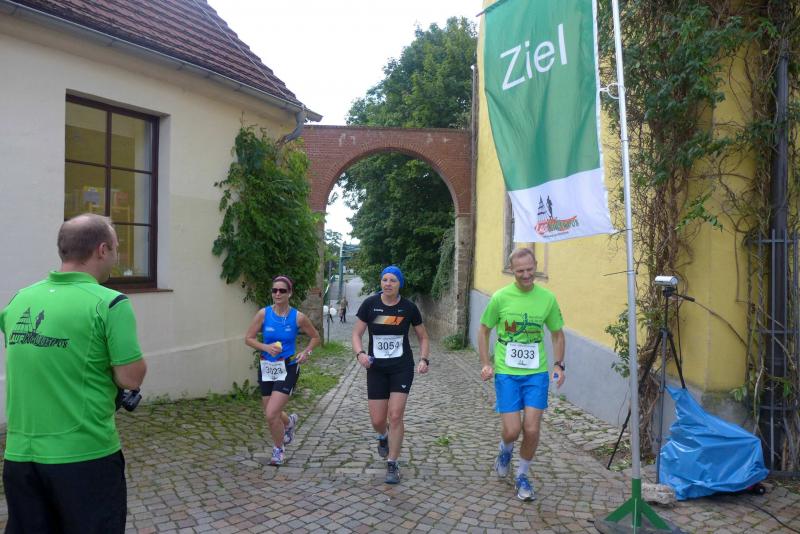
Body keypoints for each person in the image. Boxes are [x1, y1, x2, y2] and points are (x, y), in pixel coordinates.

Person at [0, 213, 147, 533]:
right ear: (102, 250)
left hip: (20, 458)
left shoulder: (20, 299)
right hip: (85, 456)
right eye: (117, 248)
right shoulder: (110, 303)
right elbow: (130, 378)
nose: (117, 256)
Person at [478, 247, 565, 502]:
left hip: (536, 373)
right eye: (520, 271)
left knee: (532, 429)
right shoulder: (500, 298)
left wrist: (559, 365)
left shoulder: (547, 298)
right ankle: (505, 450)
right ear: (511, 270)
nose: (526, 275)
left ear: (535, 265)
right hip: (507, 373)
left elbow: (557, 334)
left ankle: (522, 475)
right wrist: (486, 363)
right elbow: (484, 330)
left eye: (529, 269)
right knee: (512, 430)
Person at [352, 265, 430, 484]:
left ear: (399, 284)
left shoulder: (408, 308)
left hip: (401, 368)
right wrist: (360, 354)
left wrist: (424, 359)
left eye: (393, 280)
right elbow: (356, 334)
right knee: (378, 420)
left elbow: (423, 337)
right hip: (376, 368)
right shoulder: (370, 305)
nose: (388, 284)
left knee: (395, 415)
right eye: (384, 280)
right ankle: (383, 435)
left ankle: (392, 463)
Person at [245, 275, 320, 466]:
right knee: (272, 411)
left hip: (288, 366)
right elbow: (249, 338)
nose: (277, 294)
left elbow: (315, 337)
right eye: (274, 290)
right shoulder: (263, 314)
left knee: (271, 414)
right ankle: (289, 422)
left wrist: (306, 352)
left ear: (290, 293)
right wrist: (266, 347)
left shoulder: (298, 317)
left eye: (282, 291)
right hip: (267, 366)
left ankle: (278, 449)